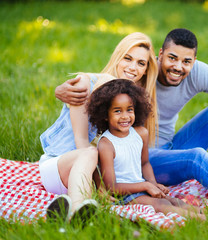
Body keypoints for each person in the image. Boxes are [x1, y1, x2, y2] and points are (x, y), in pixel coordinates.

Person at [55, 28, 208, 207]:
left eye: (186, 61)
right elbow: (105, 78)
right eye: (172, 58)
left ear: (194, 61)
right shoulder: (141, 70)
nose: (178, 66)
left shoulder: (197, 72)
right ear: (160, 55)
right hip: (141, 160)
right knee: (196, 158)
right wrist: (63, 88)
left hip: (171, 149)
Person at [40, 32, 158, 222]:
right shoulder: (85, 83)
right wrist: (101, 187)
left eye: (141, 63)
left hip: (88, 181)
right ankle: (77, 206)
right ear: (117, 58)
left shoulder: (130, 101)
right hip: (60, 167)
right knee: (90, 152)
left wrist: (148, 186)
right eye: (127, 58)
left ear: (145, 70)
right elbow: (81, 143)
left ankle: (79, 214)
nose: (132, 67)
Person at [87, 79, 208, 220]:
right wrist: (145, 186)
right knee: (161, 206)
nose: (125, 116)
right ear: (105, 115)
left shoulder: (140, 133)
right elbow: (111, 186)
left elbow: (145, 164)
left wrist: (153, 183)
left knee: (173, 200)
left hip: (142, 185)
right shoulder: (107, 144)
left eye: (129, 109)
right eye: (117, 111)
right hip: (123, 195)